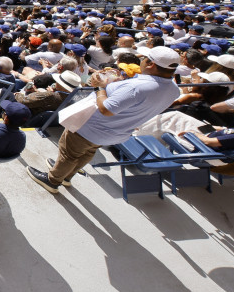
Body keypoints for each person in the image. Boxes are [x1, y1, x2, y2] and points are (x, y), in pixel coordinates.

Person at [26, 46, 182, 194]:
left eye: (145, 58)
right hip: (116, 131)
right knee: (87, 152)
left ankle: (52, 180)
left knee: (69, 153)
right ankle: (66, 175)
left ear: (151, 64)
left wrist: (100, 87)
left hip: (92, 126)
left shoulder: (138, 87)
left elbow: (107, 109)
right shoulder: (173, 89)